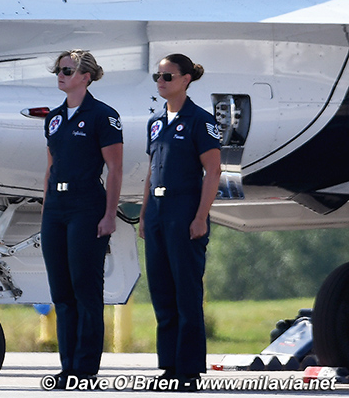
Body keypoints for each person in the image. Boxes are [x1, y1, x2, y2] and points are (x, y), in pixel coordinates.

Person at [40, 50, 123, 388]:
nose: (60, 75)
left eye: (67, 70)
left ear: (86, 76)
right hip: (56, 206)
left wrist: (109, 215)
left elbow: (115, 168)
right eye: (58, 70)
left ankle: (86, 369)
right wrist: (46, 209)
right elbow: (49, 167)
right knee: (61, 292)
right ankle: (67, 366)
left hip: (87, 203)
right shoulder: (54, 118)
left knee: (85, 288)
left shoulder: (103, 116)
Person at [139, 54, 221, 392]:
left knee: (186, 291)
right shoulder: (156, 121)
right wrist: (144, 214)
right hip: (158, 210)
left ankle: (188, 369)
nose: (161, 81)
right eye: (158, 76)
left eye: (167, 76)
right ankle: (169, 364)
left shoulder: (200, 121)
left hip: (184, 207)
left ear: (185, 79)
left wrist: (201, 216)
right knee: (161, 290)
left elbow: (213, 171)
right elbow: (150, 171)